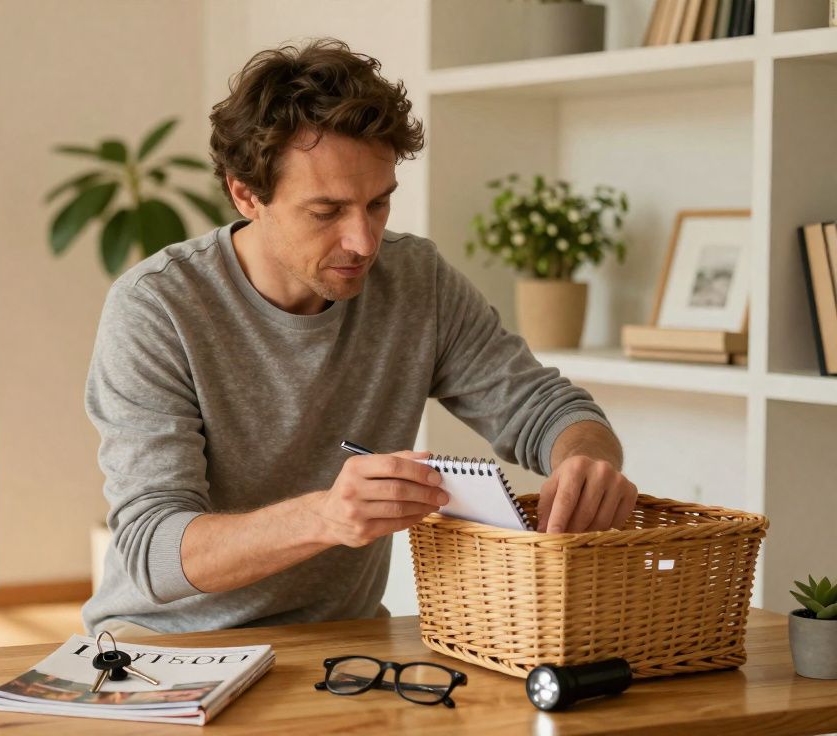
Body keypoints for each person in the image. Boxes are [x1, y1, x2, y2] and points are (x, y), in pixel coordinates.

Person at [81, 38, 638, 638]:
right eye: (327, 212)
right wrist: (325, 515)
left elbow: (547, 408)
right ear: (246, 193)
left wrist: (587, 458)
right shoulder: (156, 307)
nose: (364, 242)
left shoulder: (416, 280)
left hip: (343, 641)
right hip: (164, 648)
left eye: (378, 204)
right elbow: (152, 550)